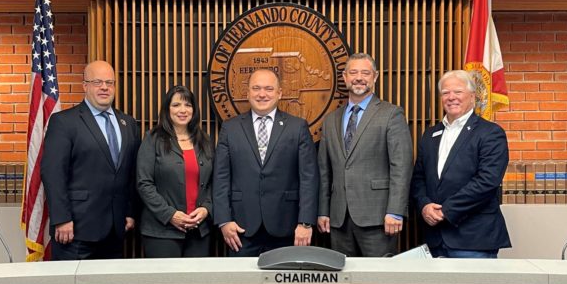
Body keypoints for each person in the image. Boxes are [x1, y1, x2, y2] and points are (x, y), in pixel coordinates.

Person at [213, 68, 319, 256]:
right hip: (240, 229)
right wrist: (224, 221)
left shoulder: (297, 127)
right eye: (256, 88)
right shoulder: (230, 128)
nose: (262, 94)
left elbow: (308, 179)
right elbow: (221, 178)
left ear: (279, 93)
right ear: (247, 93)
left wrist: (305, 222)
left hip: (288, 227)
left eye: (269, 89)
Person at [41, 60, 141, 260]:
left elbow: (131, 173)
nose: (104, 87)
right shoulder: (64, 122)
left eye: (109, 82)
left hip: (116, 229)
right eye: (97, 82)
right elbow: (53, 174)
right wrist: (62, 219)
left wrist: (130, 211)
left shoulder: (128, 123)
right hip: (76, 229)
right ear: (85, 86)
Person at [317, 53, 413, 257]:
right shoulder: (331, 120)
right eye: (353, 72)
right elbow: (325, 172)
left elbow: (401, 166)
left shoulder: (391, 114)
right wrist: (323, 210)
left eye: (365, 73)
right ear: (344, 77)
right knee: (344, 282)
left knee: (379, 281)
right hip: (339, 219)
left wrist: (395, 211)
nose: (359, 77)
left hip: (378, 218)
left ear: (375, 77)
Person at [410, 69, 511, 258]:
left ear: (472, 96)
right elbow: (418, 178)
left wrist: (446, 211)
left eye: (458, 92)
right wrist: (424, 206)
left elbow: (487, 182)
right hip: (434, 239)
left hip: (474, 239)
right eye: (446, 93)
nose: (451, 97)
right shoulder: (430, 135)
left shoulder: (490, 133)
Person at [136, 85, 213, 257]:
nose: (183, 110)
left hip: (199, 230)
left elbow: (212, 183)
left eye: (188, 105)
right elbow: (144, 183)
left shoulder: (204, 141)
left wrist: (206, 209)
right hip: (161, 231)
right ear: (167, 109)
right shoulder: (153, 139)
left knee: (196, 283)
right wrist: (170, 215)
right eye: (176, 105)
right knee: (165, 283)